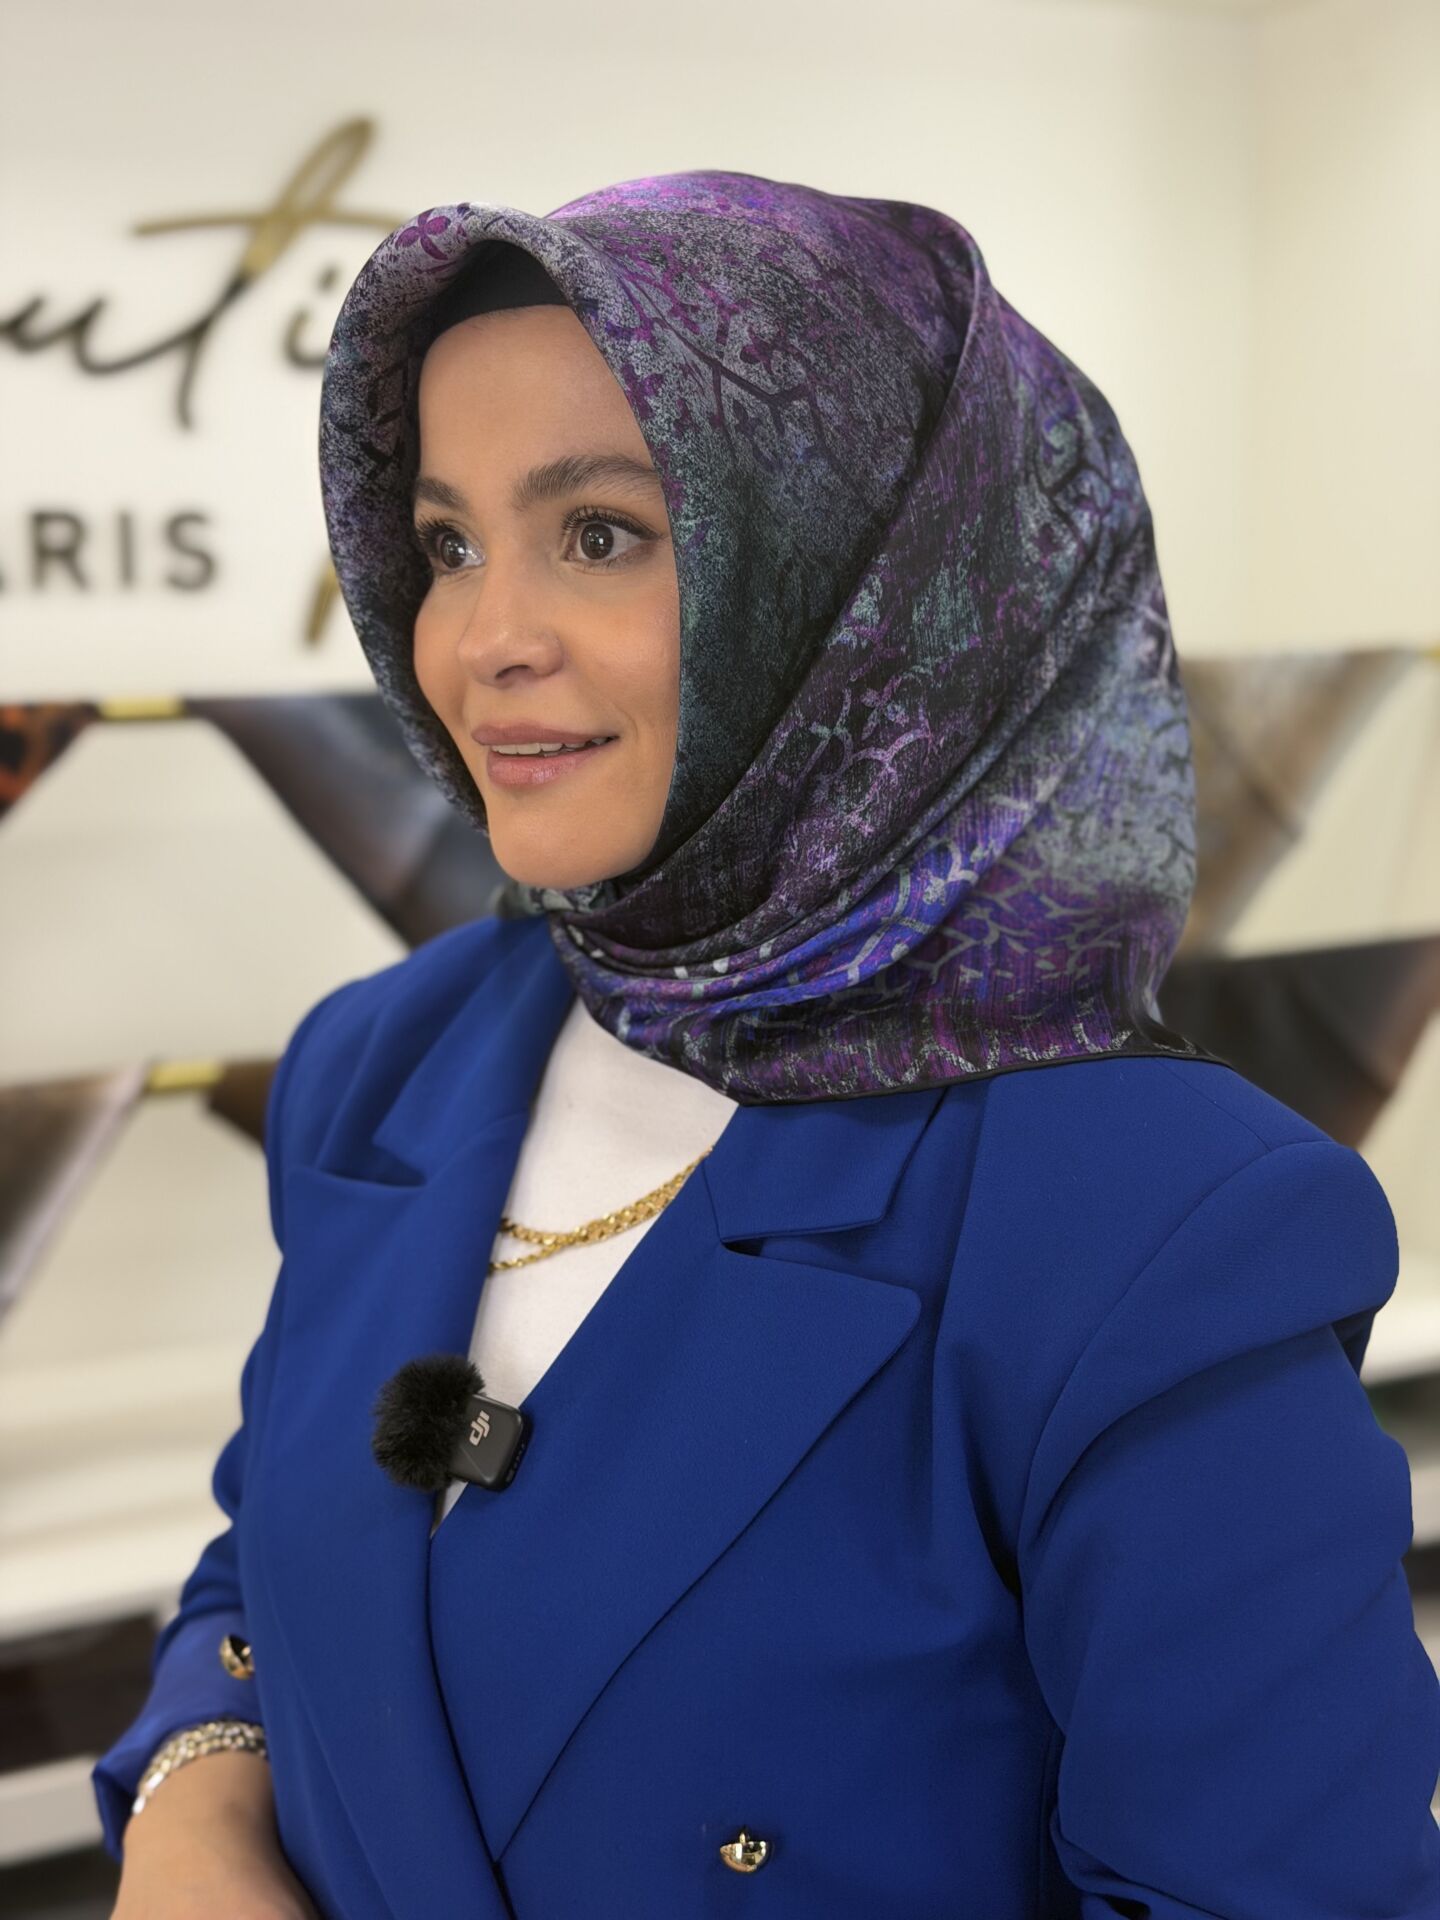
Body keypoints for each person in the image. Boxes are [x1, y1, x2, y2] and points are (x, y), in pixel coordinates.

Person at [97, 171, 1440, 1918]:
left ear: (872, 582)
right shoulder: (385, 1062)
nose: (482, 640)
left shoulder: (1161, 1220)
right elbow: (270, 1566)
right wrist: (194, 1805)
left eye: (600, 533)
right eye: (447, 544)